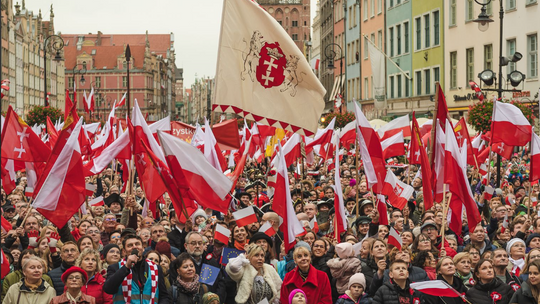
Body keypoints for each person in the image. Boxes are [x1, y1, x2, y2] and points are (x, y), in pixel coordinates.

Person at [103, 234, 171, 303]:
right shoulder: (115, 267)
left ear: (143, 248)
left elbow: (164, 296)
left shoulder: (156, 268)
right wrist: (126, 267)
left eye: (137, 244)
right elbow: (108, 289)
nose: (134, 247)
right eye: (130, 245)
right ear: (124, 251)